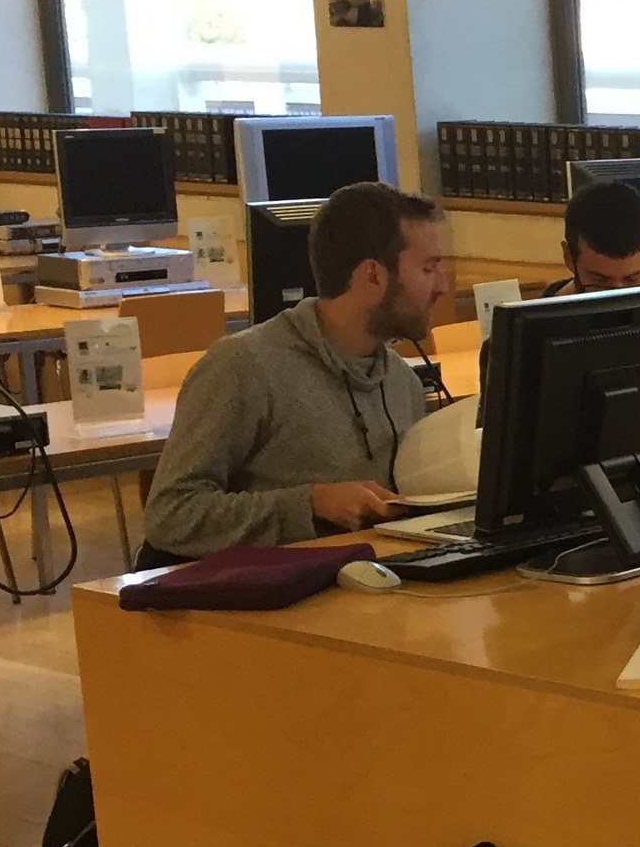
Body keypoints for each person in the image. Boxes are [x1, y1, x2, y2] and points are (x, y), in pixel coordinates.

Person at [140, 181, 447, 563]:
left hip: (368, 593)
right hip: (260, 605)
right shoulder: (245, 366)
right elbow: (171, 516)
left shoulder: (402, 384)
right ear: (372, 276)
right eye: (428, 268)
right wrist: (311, 503)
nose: (443, 286)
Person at [545, 179, 640, 296]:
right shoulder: (543, 312)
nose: (618, 296)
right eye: (600, 280)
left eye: (632, 279)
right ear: (568, 257)